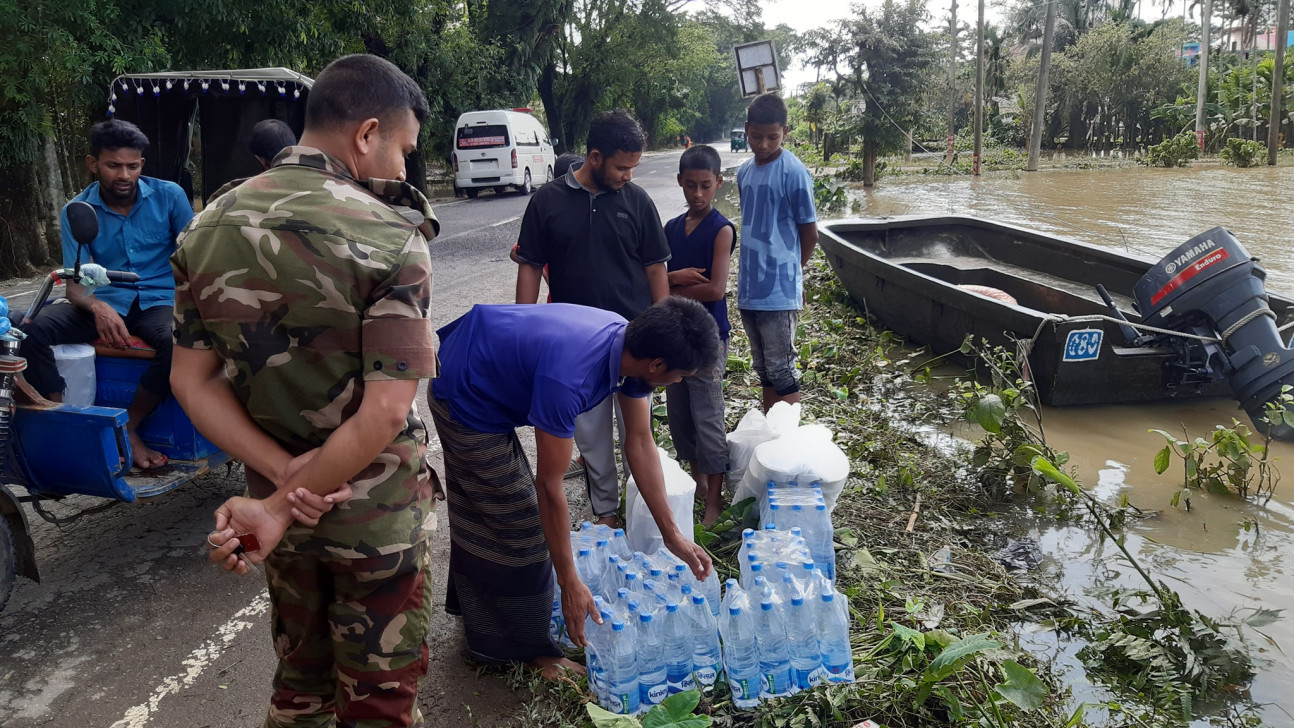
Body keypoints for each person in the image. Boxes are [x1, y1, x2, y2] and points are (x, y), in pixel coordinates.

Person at [175, 54, 439, 728]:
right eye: (404, 150)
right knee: (378, 703)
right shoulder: (391, 236)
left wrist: (280, 487)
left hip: (273, 518)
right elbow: (384, 412)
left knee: (300, 690)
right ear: (367, 133)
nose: (404, 170)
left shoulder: (205, 230)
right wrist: (293, 498)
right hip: (373, 520)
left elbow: (191, 379)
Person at [428, 296, 717, 678]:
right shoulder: (570, 377)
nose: (679, 382)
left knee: (491, 509)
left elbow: (641, 443)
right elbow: (549, 487)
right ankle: (525, 650)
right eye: (681, 375)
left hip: (486, 367)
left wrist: (672, 535)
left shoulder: (629, 347)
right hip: (464, 394)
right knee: (521, 524)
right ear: (658, 365)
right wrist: (569, 582)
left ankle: (483, 614)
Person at [515, 110, 671, 526]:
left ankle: (647, 512)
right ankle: (606, 512)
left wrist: (663, 332)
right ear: (596, 157)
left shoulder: (637, 202)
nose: (628, 176)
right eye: (622, 167)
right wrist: (524, 331)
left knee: (638, 434)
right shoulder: (547, 202)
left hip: (635, 346)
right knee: (591, 437)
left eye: (634, 167)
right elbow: (529, 265)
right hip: (577, 350)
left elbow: (657, 268)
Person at [19, 119, 192, 470]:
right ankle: (61, 417)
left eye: (133, 165)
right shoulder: (76, 210)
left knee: (179, 341)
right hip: (104, 300)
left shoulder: (169, 196)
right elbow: (75, 284)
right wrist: (97, 306)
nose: (124, 175)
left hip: (157, 300)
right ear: (93, 163)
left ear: (142, 163)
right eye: (114, 166)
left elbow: (195, 258)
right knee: (29, 327)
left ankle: (130, 425)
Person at [663, 145, 735, 526]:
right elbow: (656, 277)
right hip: (676, 336)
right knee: (680, 415)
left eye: (706, 186)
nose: (698, 194)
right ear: (680, 182)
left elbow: (715, 290)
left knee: (708, 415)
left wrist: (667, 290)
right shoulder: (672, 229)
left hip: (707, 339)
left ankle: (715, 500)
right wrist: (673, 280)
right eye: (690, 185)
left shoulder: (721, 230)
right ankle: (698, 481)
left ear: (718, 184)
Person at [737, 93, 819, 412]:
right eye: (757, 136)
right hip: (749, 288)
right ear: (747, 130)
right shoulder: (744, 173)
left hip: (779, 291)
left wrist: (794, 277)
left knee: (783, 369)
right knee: (764, 371)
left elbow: (809, 233)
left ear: (784, 132)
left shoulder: (794, 172)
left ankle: (790, 444)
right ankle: (772, 435)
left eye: (772, 137)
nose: (764, 144)